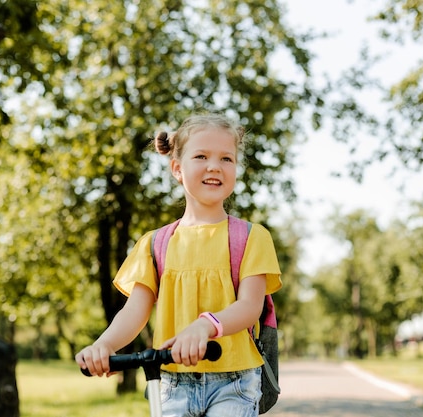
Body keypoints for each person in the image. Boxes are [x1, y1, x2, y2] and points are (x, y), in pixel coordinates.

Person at [75, 113, 282, 417]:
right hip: (170, 383)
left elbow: (250, 306)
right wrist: (104, 345)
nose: (215, 166)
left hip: (235, 382)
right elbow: (135, 310)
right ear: (176, 169)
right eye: (201, 156)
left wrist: (204, 326)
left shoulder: (251, 237)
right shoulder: (154, 243)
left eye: (227, 158)